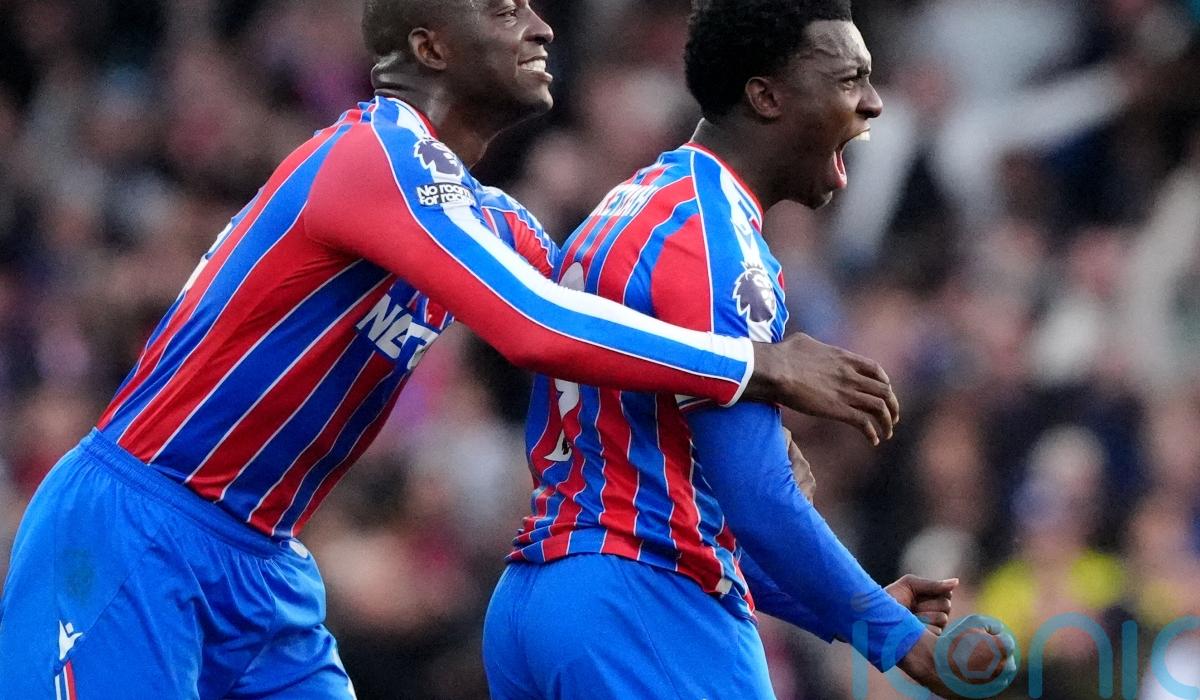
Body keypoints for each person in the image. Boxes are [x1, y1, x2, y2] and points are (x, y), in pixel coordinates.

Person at [0, 0, 909, 697]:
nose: (542, 26)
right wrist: (755, 366)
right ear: (430, 46)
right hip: (137, 523)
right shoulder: (369, 156)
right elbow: (537, 327)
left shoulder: (487, 220)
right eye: (506, 10)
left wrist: (835, 597)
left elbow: (615, 371)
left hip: (265, 563)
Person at [482, 0, 1016, 697]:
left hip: (540, 602)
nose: (873, 102)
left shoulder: (631, 206)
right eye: (849, 79)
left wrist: (859, 607)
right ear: (767, 96)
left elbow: (684, 501)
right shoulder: (717, 245)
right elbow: (757, 496)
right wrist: (904, 642)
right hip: (644, 605)